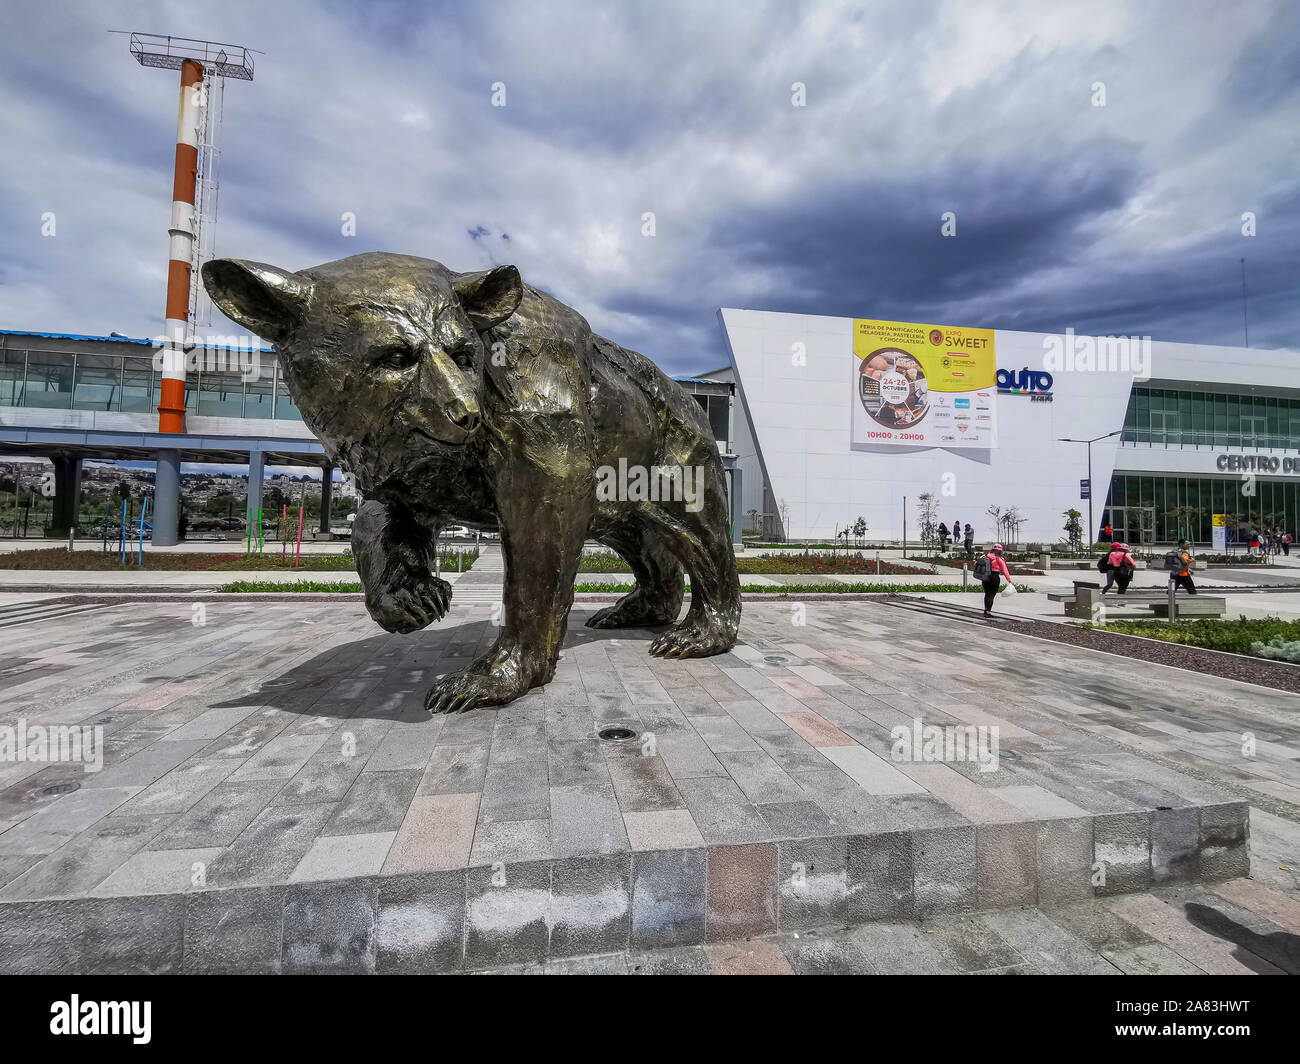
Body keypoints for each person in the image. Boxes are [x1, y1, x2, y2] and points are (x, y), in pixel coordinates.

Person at [976, 542, 1012, 617]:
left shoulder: (985, 556)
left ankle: (986, 610)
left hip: (985, 577)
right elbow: (1005, 570)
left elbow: (976, 564)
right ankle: (988, 612)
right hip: (994, 577)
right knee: (991, 595)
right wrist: (1009, 580)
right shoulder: (999, 559)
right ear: (1000, 551)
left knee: (987, 594)